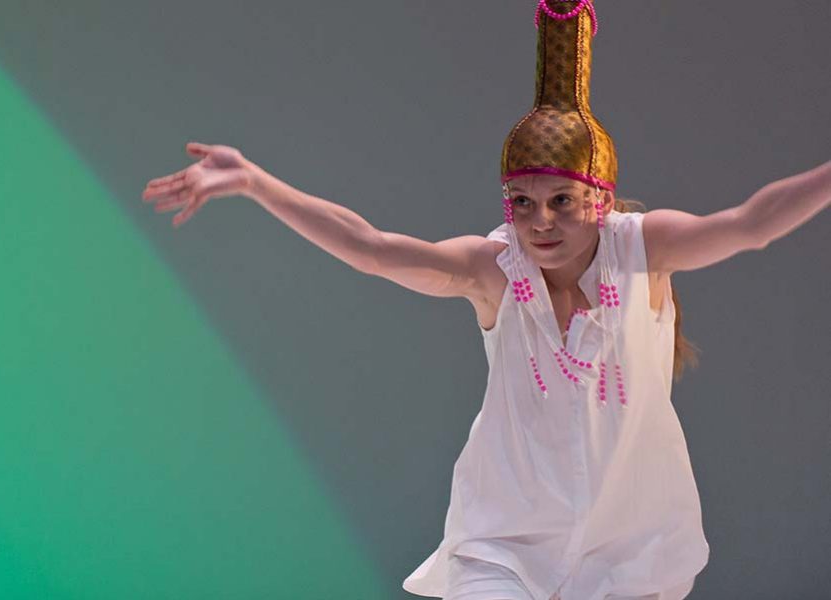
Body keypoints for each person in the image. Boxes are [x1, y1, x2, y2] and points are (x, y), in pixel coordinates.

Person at [141, 2, 829, 598]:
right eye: (523, 203)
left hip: (630, 552)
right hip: (506, 544)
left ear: (602, 200)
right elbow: (373, 248)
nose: (540, 222)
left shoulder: (641, 249)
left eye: (561, 202)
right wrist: (259, 184)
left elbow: (750, 224)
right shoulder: (493, 268)